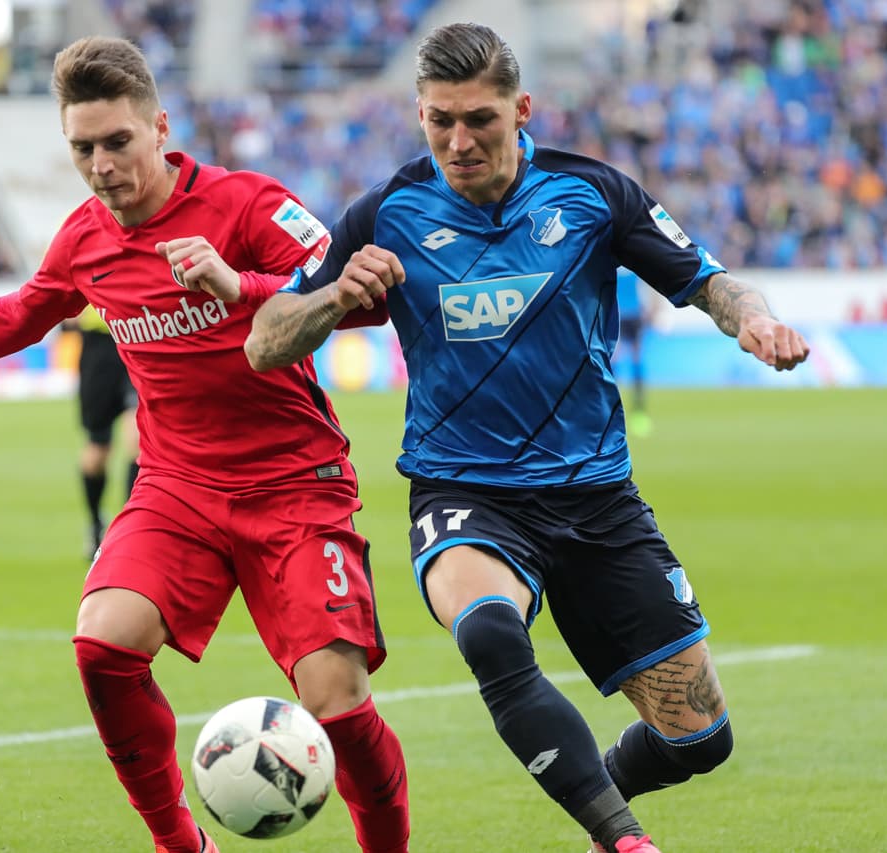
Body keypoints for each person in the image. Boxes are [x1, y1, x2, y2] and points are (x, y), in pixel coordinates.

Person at [0, 36, 410, 853]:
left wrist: (244, 285)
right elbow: (14, 316)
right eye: (82, 148)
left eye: (117, 142)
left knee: (337, 701)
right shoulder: (84, 239)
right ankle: (178, 843)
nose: (101, 164)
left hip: (294, 486)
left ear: (160, 127)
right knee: (102, 645)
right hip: (178, 489)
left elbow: (357, 292)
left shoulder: (247, 205)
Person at [242, 22, 809, 853]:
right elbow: (263, 341)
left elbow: (712, 279)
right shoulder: (387, 211)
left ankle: (593, 787)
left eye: (479, 120)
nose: (458, 141)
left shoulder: (592, 194)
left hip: (596, 498)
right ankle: (622, 839)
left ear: (523, 110)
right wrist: (331, 300)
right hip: (463, 491)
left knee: (699, 737)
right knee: (489, 631)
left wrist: (754, 319)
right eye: (439, 120)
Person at [69, 303, 140, 559]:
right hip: (98, 346)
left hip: (138, 335)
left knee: (139, 440)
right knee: (97, 450)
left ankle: (131, 529)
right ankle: (95, 521)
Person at [614, 266, 653, 437]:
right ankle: (638, 404)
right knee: (636, 357)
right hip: (634, 313)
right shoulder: (632, 266)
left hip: (620, 313)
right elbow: (644, 289)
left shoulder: (612, 267)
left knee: (616, 356)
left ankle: (612, 401)